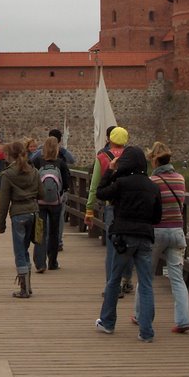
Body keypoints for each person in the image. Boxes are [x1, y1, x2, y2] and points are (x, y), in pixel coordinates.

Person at [94, 145, 162, 342]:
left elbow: (100, 192)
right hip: (145, 237)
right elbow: (157, 217)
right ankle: (146, 331)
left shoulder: (122, 183)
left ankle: (107, 323)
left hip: (123, 237)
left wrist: (110, 170)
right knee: (146, 284)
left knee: (114, 280)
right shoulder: (152, 186)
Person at [141, 142, 189, 334]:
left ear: (154, 160)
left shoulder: (152, 181)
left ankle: (140, 315)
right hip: (177, 231)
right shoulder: (180, 179)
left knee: (146, 275)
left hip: (157, 231)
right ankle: (183, 319)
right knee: (177, 279)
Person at [84, 126, 135, 297]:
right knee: (128, 244)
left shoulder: (102, 157)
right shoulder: (133, 157)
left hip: (112, 205)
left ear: (110, 139)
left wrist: (89, 210)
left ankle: (112, 286)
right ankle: (127, 280)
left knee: (112, 248)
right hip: (130, 206)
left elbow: (94, 186)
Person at [0, 140, 43, 298]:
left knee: (19, 251)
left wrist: (0, 223)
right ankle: (28, 285)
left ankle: (24, 288)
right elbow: (42, 194)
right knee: (25, 249)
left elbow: (3, 203)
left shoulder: (8, 174)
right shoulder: (34, 171)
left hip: (18, 214)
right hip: (33, 212)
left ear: (10, 155)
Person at [30, 135, 70, 272]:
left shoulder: (37, 162)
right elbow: (66, 184)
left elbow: (31, 179)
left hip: (40, 202)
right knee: (54, 232)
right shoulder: (61, 163)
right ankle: (53, 262)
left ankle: (40, 263)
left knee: (40, 231)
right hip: (56, 202)